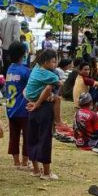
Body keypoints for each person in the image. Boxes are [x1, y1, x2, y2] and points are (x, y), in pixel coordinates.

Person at [24, 49, 62, 181]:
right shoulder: (49, 75)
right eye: (53, 61)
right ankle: (46, 173)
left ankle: (36, 170)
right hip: (43, 108)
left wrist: (34, 103)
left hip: (31, 106)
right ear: (46, 62)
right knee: (45, 138)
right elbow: (54, 85)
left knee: (32, 138)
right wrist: (39, 103)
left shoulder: (35, 69)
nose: (55, 64)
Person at [4, 42, 31, 170]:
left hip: (11, 107)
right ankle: (25, 161)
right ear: (23, 54)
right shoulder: (25, 71)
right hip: (23, 108)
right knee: (27, 136)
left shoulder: (10, 69)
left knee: (14, 135)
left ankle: (16, 161)